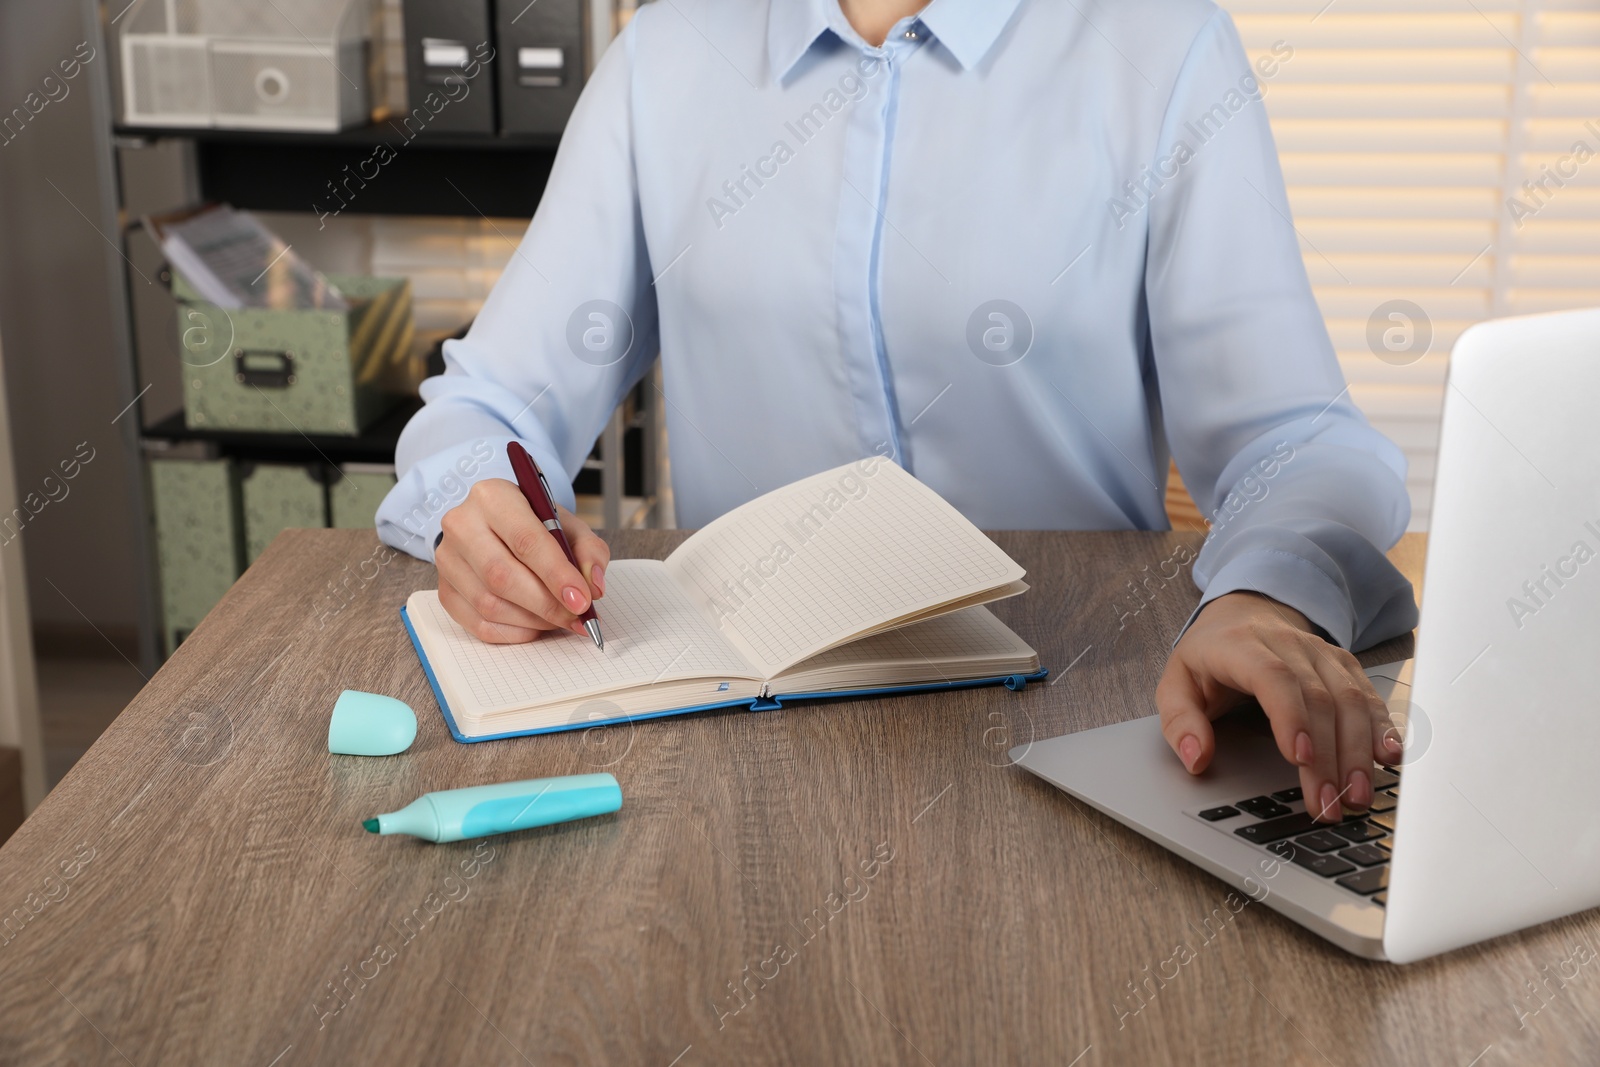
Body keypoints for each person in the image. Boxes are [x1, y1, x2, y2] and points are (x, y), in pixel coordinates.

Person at [377, 0, 1418, 823]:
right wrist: (477, 502)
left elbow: (1297, 439)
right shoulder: (665, 55)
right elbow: (491, 400)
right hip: (728, 742)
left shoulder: (1163, 48)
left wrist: (1264, 596)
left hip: (1086, 719)